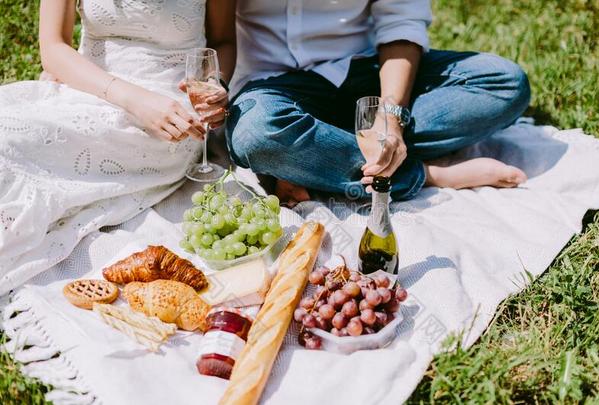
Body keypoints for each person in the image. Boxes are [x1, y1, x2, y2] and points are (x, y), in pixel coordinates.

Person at [0, 0, 235, 294]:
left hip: (168, 118)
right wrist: (132, 99)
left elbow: (223, 41)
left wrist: (213, 83)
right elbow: (53, 48)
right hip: (88, 89)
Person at [226, 0, 530, 206]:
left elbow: (402, 19)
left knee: (504, 82)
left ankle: (311, 156)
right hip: (273, 84)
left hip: (366, 70)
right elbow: (216, 34)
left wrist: (390, 114)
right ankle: (423, 174)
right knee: (254, 132)